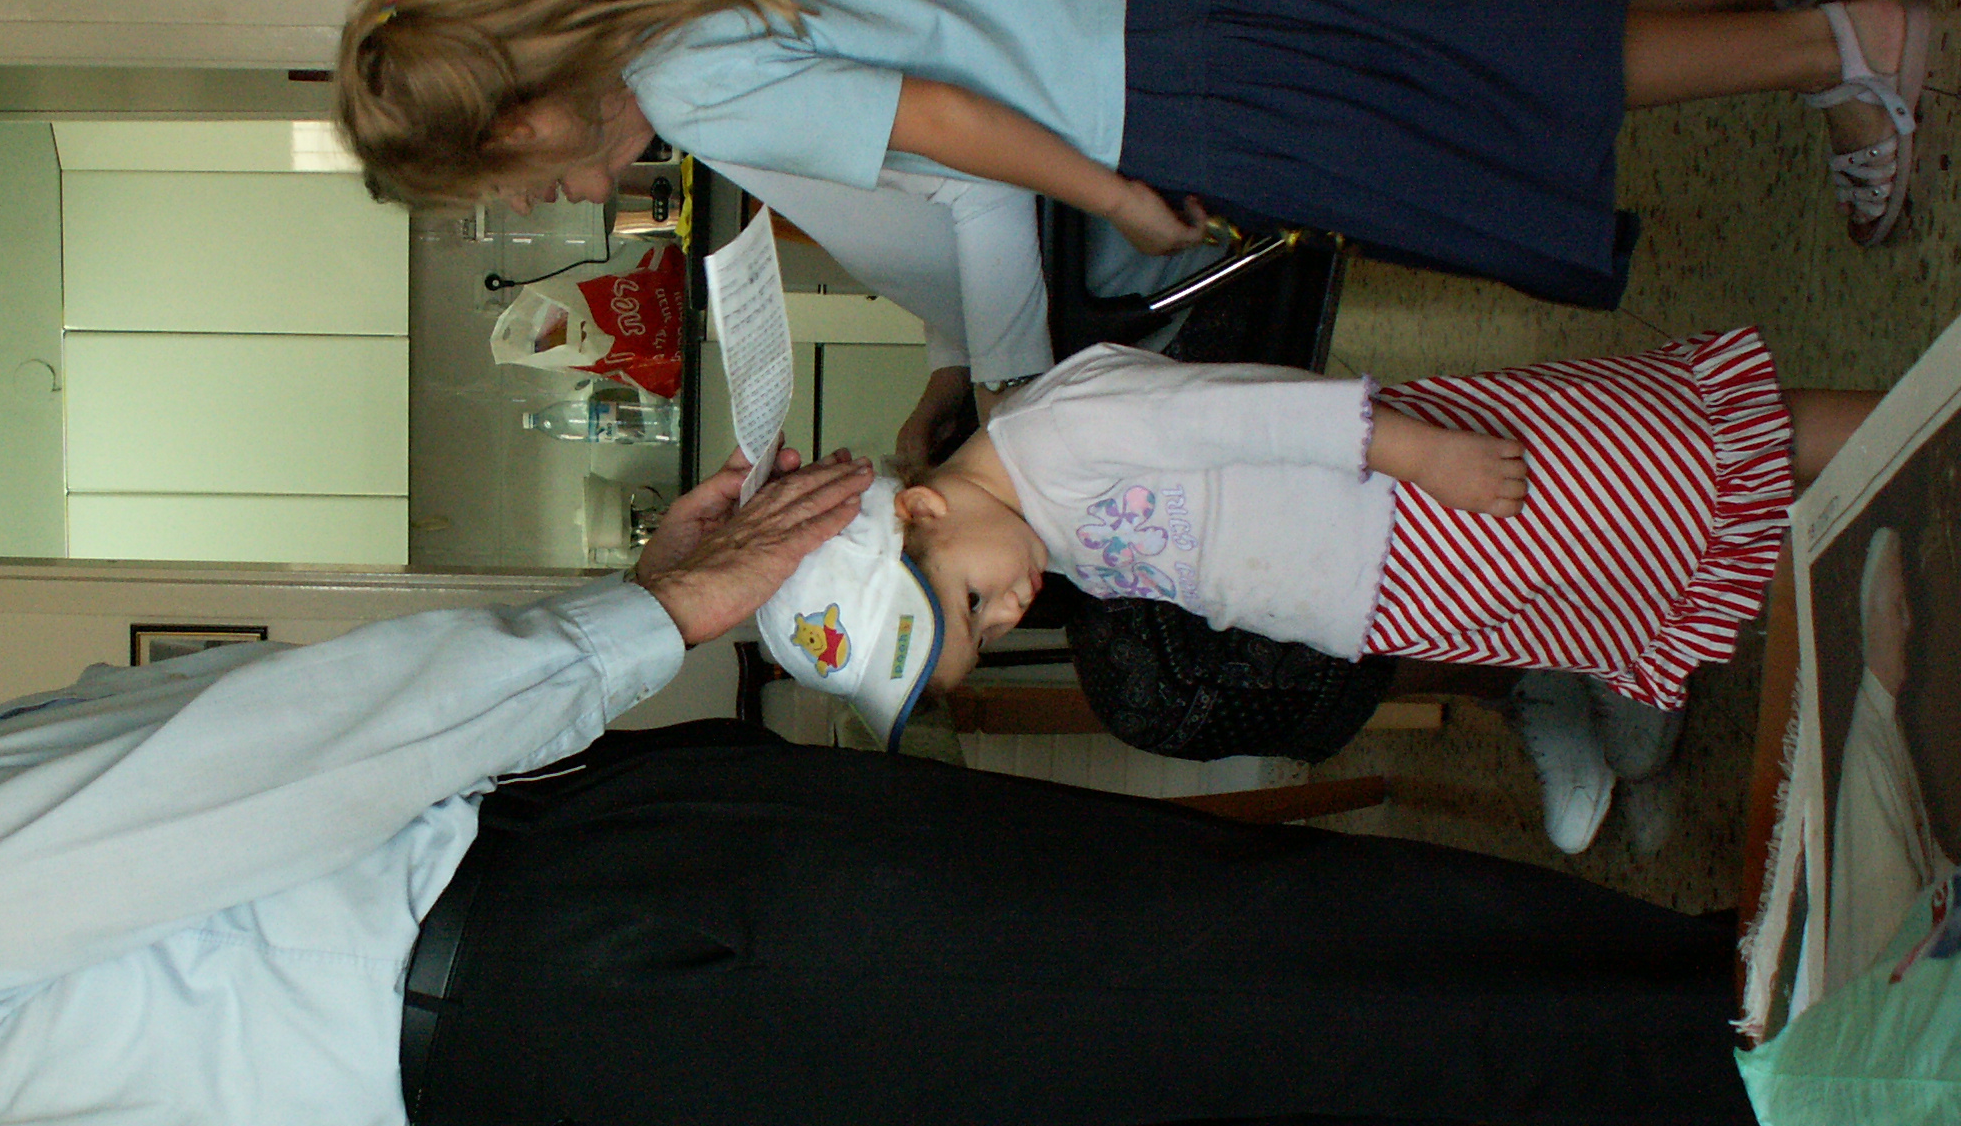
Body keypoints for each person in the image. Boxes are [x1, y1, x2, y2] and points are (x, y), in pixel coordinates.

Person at [0, 454, 1764, 1126]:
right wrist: (652, 612)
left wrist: (628, 612)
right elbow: (254, 774)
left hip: (583, 894)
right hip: (574, 969)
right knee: (1230, 985)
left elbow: (269, 737)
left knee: (1226, 921)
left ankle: (1736, 1002)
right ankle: (1788, 1069)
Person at [333, 0, 1932, 340]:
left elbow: (948, 129)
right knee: (1482, 30)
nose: (561, 195)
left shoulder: (693, 95)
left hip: (1162, 108)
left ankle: (1848, 51)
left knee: (1510, 93)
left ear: (520, 116)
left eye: (524, 182)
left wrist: (1110, 199)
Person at [756, 335, 1877, 751]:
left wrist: (1417, 453)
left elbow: (1248, 410)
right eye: (990, 635)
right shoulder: (1029, 524)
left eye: (972, 604)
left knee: (1676, 458)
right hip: (1402, 580)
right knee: (1644, 552)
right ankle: (1875, 533)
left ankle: (1911, 428)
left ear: (922, 512)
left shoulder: (1057, 437)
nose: (1011, 612)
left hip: (1412, 497)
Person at [1827, 525, 1952, 976]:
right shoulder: (1866, 755)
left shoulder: (1886, 723)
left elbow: (1929, 859)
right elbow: (1894, 937)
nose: (1909, 623)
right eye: (1897, 607)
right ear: (1867, 622)